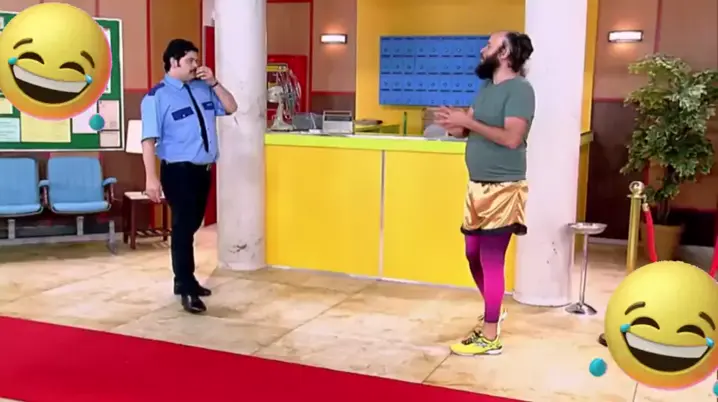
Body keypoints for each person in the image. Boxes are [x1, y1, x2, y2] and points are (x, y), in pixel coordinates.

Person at [434, 31, 535, 356]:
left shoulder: (520, 90)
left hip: (503, 188)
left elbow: (511, 139)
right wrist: (456, 125)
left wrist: (469, 122)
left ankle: (490, 337)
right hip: (476, 186)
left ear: (505, 53)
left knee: (492, 259)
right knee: (472, 253)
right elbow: (472, 129)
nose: (482, 49)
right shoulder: (487, 88)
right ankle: (494, 308)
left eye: (489, 45)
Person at [140, 39, 238, 314]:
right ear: (174, 62)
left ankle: (184, 279)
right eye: (190, 61)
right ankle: (186, 286)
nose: (196, 65)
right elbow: (148, 140)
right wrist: (150, 178)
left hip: (202, 171)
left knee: (192, 226)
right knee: (183, 230)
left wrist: (214, 83)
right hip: (177, 171)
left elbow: (231, 107)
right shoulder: (156, 97)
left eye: (196, 60)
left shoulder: (202, 88)